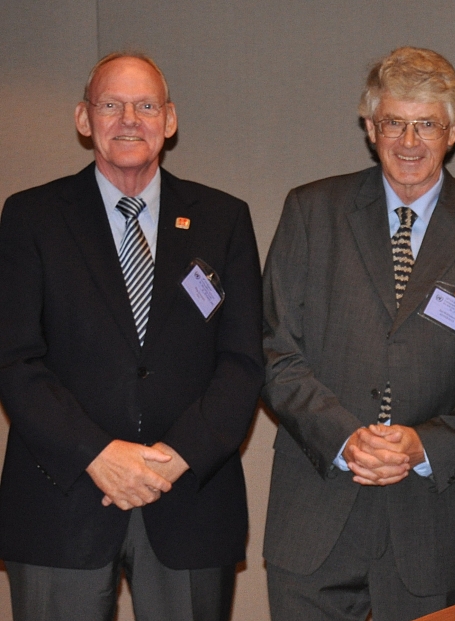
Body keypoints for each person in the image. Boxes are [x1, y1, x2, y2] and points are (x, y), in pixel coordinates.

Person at [261, 46, 455, 621]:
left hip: (433, 523)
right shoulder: (311, 211)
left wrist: (425, 444)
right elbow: (276, 350)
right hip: (315, 513)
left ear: (453, 132)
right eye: (393, 123)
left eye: (427, 124)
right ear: (369, 127)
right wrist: (345, 438)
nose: (409, 141)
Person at [0, 52, 264, 621]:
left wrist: (179, 455)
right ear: (83, 118)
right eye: (111, 105)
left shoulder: (223, 219)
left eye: (145, 105)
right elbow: (15, 360)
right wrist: (96, 454)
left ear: (169, 120)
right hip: (61, 502)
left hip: (189, 501)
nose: (129, 120)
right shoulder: (30, 217)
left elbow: (243, 362)